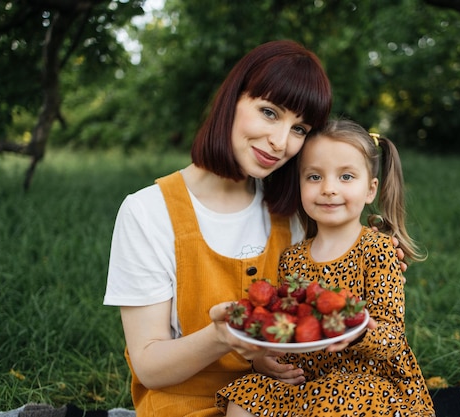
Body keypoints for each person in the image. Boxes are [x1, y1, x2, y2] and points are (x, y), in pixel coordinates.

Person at [103, 40, 405, 417]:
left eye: (299, 128)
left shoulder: (292, 211)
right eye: (269, 112)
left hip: (286, 400)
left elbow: (335, 275)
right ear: (231, 100)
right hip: (184, 405)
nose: (280, 142)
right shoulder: (147, 213)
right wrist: (220, 337)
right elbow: (149, 367)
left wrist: (376, 250)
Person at [217, 119, 435, 416]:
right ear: (300, 185)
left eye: (346, 177)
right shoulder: (292, 258)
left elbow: (393, 339)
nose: (329, 189)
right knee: (244, 393)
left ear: (370, 190)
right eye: (314, 177)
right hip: (307, 380)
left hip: (369, 384)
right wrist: (264, 359)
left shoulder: (378, 250)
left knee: (334, 399)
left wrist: (358, 333)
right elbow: (288, 324)